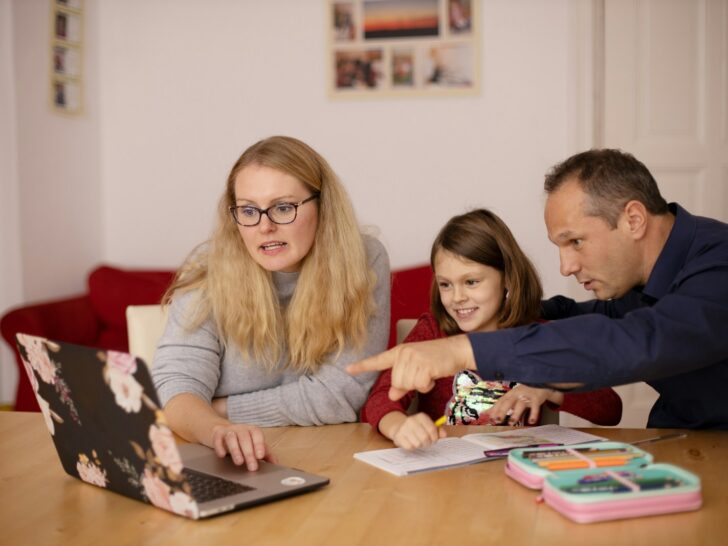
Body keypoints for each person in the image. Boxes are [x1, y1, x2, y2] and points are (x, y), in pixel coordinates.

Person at [349, 149, 728, 430]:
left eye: (575, 242)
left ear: (633, 219)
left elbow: (637, 340)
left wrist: (463, 348)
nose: (566, 266)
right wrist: (498, 315)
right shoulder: (633, 286)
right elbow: (569, 314)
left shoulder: (718, 266)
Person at [152, 136, 390, 469]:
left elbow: (341, 396)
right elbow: (175, 390)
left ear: (323, 206)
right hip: (225, 460)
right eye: (249, 210)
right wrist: (217, 429)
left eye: (283, 207)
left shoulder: (363, 259)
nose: (264, 226)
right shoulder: (209, 268)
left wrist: (218, 409)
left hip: (330, 460)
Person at [361, 209, 621, 449]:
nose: (457, 297)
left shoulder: (538, 337)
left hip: (515, 474)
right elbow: (379, 398)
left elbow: (610, 409)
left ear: (507, 278)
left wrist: (550, 387)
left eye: (471, 282)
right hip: (444, 479)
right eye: (445, 285)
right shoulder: (432, 332)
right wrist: (399, 426)